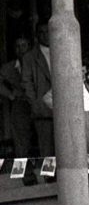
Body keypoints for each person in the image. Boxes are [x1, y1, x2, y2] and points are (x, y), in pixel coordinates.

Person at [21, 22, 53, 156]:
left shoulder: (61, 50)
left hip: (63, 107)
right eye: (41, 32)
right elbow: (26, 82)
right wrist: (35, 104)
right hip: (43, 109)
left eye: (48, 32)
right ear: (37, 35)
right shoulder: (30, 57)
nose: (45, 35)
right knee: (47, 149)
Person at [0, 36, 35, 158]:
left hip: (38, 104)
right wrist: (10, 95)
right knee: (21, 141)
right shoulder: (9, 67)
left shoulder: (37, 64)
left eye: (24, 45)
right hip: (20, 104)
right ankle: (24, 167)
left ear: (29, 47)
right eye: (17, 46)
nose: (21, 49)